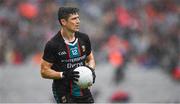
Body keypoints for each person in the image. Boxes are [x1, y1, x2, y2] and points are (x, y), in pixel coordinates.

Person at [40, 7, 96, 103]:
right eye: (74, 19)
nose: (78, 21)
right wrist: (63, 74)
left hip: (83, 90)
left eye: (78, 18)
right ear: (63, 22)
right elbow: (44, 71)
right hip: (63, 92)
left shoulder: (84, 38)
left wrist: (90, 70)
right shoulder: (53, 44)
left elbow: (90, 59)